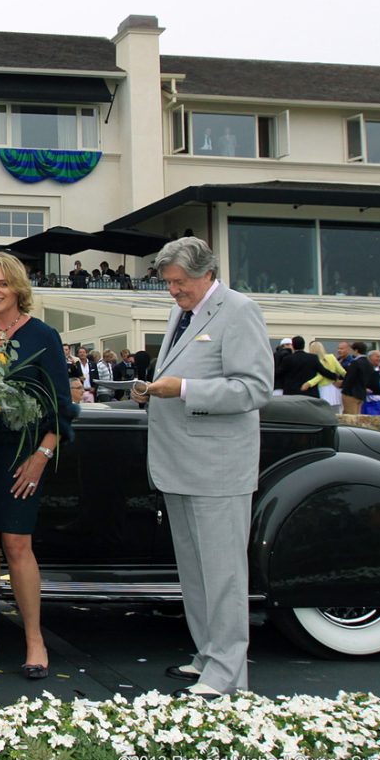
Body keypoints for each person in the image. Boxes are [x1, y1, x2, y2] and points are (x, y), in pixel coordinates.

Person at [132, 237, 271, 698]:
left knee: (224, 573)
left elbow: (253, 389)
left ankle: (229, 673)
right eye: (169, 283)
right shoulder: (182, 312)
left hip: (218, 468)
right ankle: (208, 654)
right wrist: (150, 389)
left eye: (179, 283)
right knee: (195, 572)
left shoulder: (239, 310)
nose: (173, 291)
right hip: (178, 463)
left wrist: (186, 389)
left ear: (207, 273)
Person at [0, 252, 74, 681]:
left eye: (2, 283)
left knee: (18, 544)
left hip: (25, 455)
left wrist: (41, 456)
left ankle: (35, 640)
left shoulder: (44, 335)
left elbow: (61, 407)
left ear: (18, 287)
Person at [301, 341, 345, 414]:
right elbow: (342, 371)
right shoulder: (331, 357)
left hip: (322, 389)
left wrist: (309, 383)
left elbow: (321, 376)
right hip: (333, 389)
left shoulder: (314, 360)